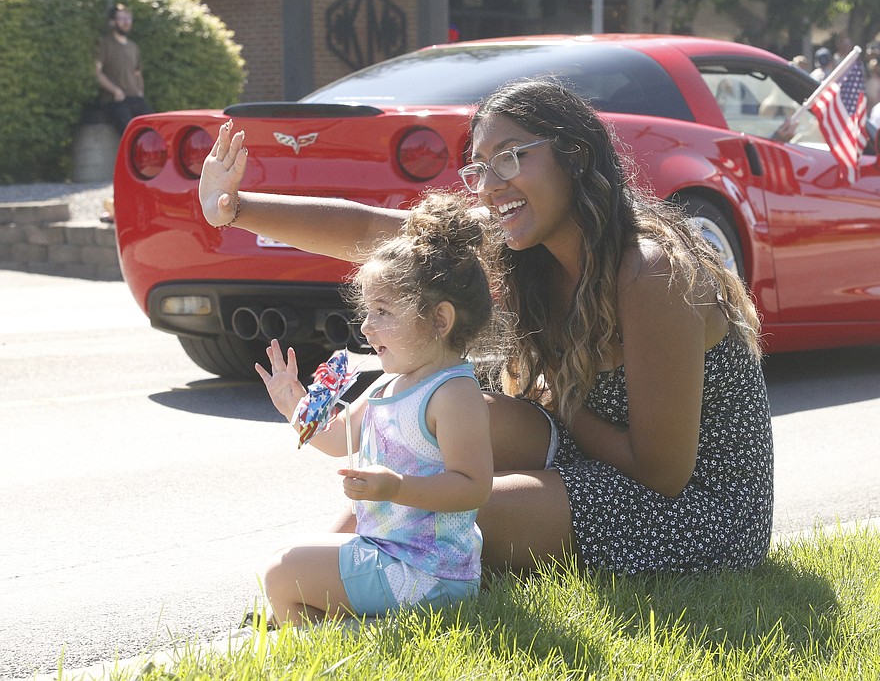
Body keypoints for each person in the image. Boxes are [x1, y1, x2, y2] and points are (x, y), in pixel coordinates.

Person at [199, 77, 775, 576]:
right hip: (588, 452)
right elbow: (377, 232)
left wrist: (557, 401)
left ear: (574, 155)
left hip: (697, 511)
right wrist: (235, 207)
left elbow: (663, 473)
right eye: (480, 168)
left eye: (511, 157)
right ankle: (323, 575)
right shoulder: (524, 246)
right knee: (429, 422)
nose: (491, 183)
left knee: (440, 514)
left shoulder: (651, 274)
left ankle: (340, 580)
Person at [254, 191, 496, 626]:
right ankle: (350, 632)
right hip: (389, 552)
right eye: (368, 311)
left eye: (383, 311)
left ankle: (341, 638)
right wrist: (293, 403)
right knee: (281, 561)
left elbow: (473, 486)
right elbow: (332, 438)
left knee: (281, 573)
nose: (366, 325)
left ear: (440, 320)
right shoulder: (390, 383)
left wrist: (396, 487)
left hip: (430, 574)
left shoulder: (452, 393)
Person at [95, 4, 153, 134]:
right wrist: (115, 90)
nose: (126, 22)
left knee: (154, 128)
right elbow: (96, 72)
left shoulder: (134, 47)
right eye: (121, 18)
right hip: (115, 100)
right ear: (112, 21)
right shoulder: (105, 43)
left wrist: (140, 91)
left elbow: (137, 73)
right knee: (130, 133)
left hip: (136, 98)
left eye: (128, 18)